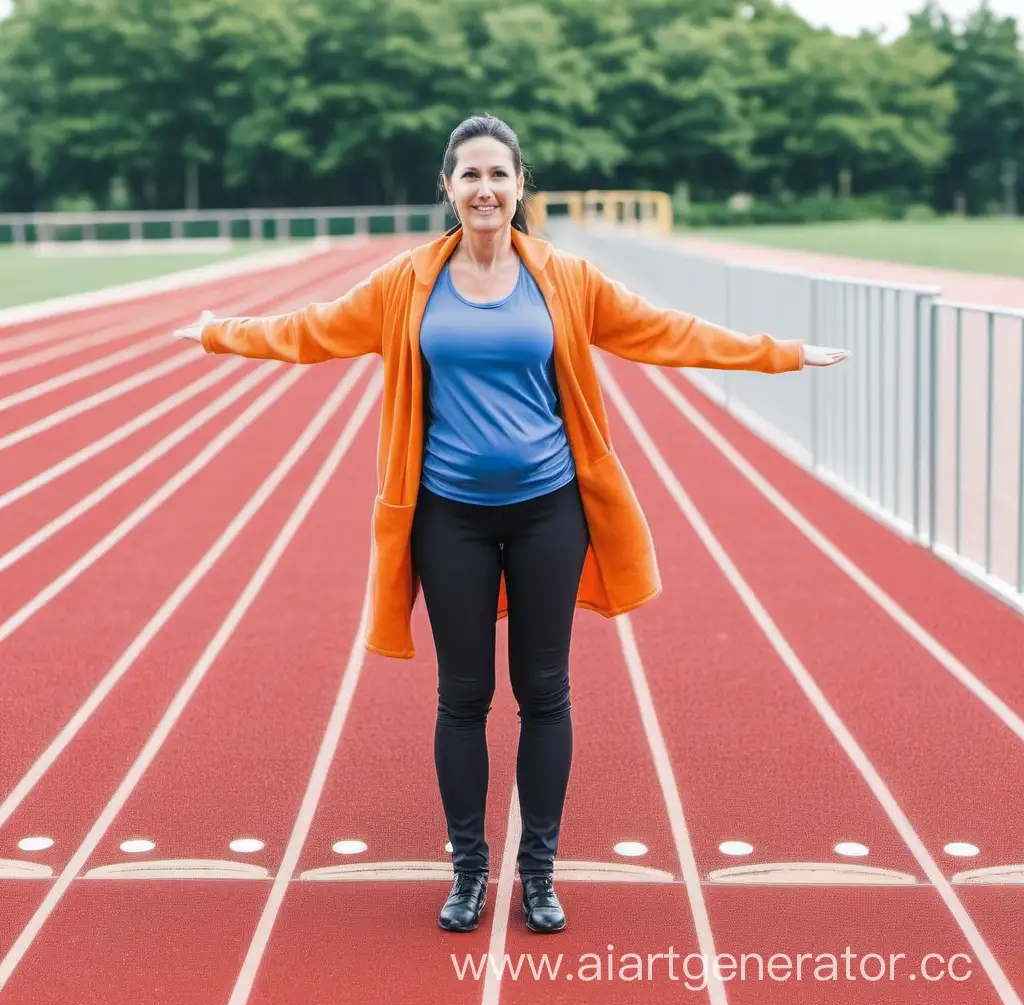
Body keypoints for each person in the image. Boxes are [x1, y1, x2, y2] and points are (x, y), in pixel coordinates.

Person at [173, 114, 848, 936]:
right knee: (463, 697)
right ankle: (468, 870)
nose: (485, 189)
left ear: (520, 185)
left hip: (548, 512)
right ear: (448, 189)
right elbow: (309, 330)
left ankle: (538, 873)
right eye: (470, 176)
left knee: (544, 693)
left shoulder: (563, 279)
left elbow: (666, 333)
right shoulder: (404, 284)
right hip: (447, 517)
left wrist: (776, 352)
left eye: (499, 174)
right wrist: (219, 333)